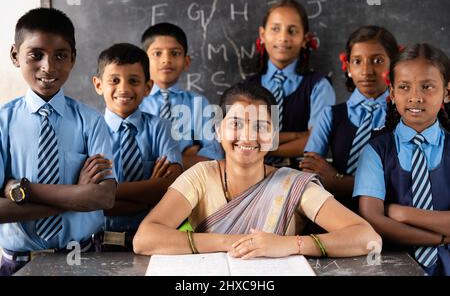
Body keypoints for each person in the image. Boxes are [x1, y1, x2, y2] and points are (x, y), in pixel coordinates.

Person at [133, 82, 380, 259]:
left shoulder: (294, 184)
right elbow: (145, 239)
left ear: (273, 136)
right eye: (236, 124)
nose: (248, 135)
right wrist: (232, 243)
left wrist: (288, 245)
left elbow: (368, 238)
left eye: (261, 126)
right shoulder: (200, 176)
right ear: (219, 130)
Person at [0, 8, 116, 275]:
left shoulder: (91, 121)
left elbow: (103, 197)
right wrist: (76, 195)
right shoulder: (2, 123)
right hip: (18, 264)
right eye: (36, 54)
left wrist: (21, 189)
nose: (48, 67)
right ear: (15, 56)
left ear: (73, 59)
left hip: (83, 260)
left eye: (60, 56)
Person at [353, 43, 450, 276]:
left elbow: (385, 216)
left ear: (447, 92)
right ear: (393, 93)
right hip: (391, 265)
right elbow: (372, 219)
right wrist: (439, 237)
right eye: (404, 87)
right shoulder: (376, 151)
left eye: (427, 87)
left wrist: (401, 213)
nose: (415, 97)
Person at [91, 43, 183, 250]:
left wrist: (105, 193)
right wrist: (148, 198)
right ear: (98, 85)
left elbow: (172, 186)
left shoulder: (161, 128)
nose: (124, 89)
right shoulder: (88, 131)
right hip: (98, 242)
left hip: (152, 240)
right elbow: (87, 201)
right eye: (114, 80)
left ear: (148, 87)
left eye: (133, 81)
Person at [301, 25, 399, 211]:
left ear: (393, 65)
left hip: (388, 213)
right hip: (338, 212)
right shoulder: (330, 115)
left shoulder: (406, 116)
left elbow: (400, 184)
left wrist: (338, 181)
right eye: (357, 61)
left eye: (377, 60)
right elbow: (310, 170)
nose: (367, 71)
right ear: (347, 67)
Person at [246, 0, 335, 167]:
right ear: (262, 35)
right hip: (252, 176)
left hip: (300, 178)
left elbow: (316, 142)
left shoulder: (319, 86)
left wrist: (265, 147)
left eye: (292, 31)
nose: (283, 37)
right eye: (275, 29)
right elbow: (241, 137)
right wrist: (297, 136)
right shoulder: (247, 87)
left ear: (305, 39)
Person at [139, 22, 223, 169]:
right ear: (144, 62)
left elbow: (214, 154)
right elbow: (132, 156)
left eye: (175, 53)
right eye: (157, 53)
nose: (166, 60)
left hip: (190, 185)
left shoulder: (198, 103)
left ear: (186, 62)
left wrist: (173, 161)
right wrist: (185, 157)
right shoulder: (135, 102)